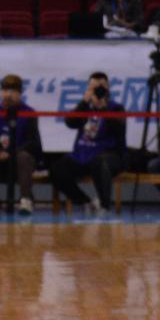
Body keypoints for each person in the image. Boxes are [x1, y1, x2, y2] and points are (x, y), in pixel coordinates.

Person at [52, 71, 122, 215]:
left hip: (106, 154)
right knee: (57, 169)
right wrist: (84, 102)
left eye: (102, 87)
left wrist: (103, 109)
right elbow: (70, 122)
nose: (98, 91)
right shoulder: (85, 107)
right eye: (94, 87)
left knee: (100, 162)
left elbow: (119, 130)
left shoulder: (116, 108)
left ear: (108, 88)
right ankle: (85, 202)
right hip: (82, 154)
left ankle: (104, 206)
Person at [0, 73, 44, 215]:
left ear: (20, 94)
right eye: (5, 91)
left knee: (24, 157)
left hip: (20, 161)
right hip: (2, 162)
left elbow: (34, 143)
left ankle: (25, 200)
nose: (8, 95)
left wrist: (11, 153)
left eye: (12, 91)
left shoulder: (28, 113)